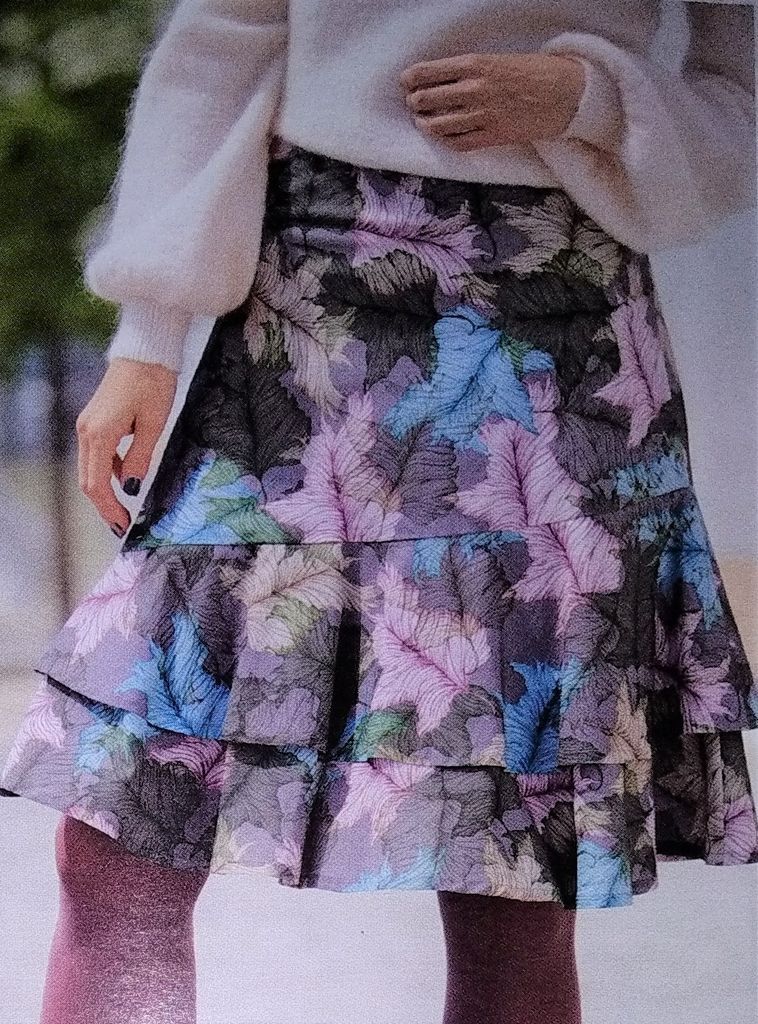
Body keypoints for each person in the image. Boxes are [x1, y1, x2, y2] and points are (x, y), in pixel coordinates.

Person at [2, 2, 757, 1023]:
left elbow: (738, 99)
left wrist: (591, 100)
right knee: (116, 832)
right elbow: (223, 39)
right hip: (303, 308)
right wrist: (147, 334)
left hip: (556, 326)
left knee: (512, 876)